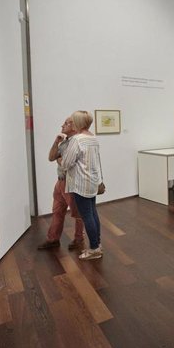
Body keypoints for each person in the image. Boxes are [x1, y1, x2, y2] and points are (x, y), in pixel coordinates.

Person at [38, 116, 86, 251]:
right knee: (57, 211)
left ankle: (79, 239)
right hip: (60, 182)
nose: (62, 125)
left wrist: (61, 160)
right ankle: (53, 239)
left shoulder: (78, 143)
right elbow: (51, 157)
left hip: (71, 183)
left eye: (66, 123)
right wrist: (56, 142)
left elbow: (67, 164)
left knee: (78, 214)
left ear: (74, 126)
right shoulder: (64, 143)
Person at [61, 111, 103, 260]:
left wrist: (62, 159)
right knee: (92, 213)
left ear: (78, 122)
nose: (70, 123)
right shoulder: (93, 138)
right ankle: (97, 244)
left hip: (80, 183)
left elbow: (66, 163)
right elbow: (96, 161)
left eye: (72, 121)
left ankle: (94, 249)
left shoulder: (77, 140)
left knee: (87, 216)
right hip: (91, 181)